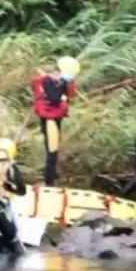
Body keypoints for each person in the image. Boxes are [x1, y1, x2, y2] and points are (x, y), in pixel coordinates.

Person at [32, 56, 80, 186]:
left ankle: (51, 175)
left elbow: (71, 94)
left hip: (55, 117)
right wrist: (63, 96)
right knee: (52, 152)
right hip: (49, 119)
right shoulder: (47, 81)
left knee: (53, 149)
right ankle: (49, 182)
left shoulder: (60, 81)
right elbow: (54, 98)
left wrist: (67, 86)